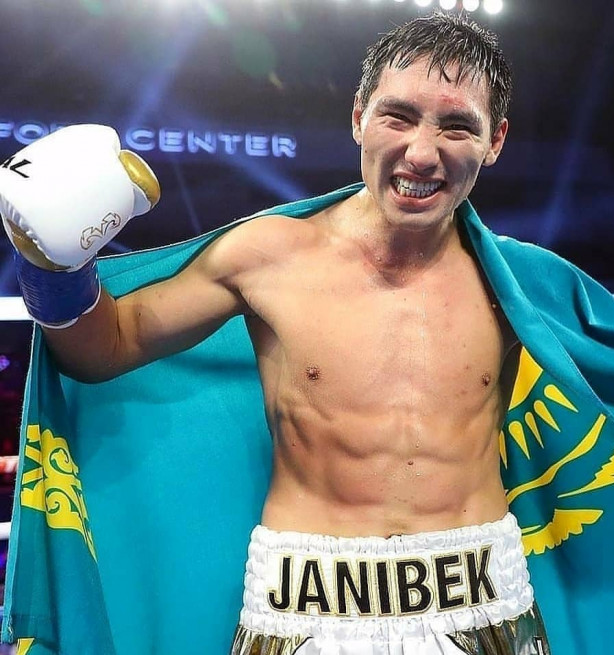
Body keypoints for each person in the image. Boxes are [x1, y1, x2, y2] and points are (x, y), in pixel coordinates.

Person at [1, 12, 549, 655]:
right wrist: (51, 270)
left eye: (456, 126)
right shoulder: (266, 256)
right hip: (305, 608)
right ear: (358, 117)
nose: (422, 153)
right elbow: (106, 347)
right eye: (397, 117)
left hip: (481, 597)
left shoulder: (524, 285)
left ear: (495, 140)